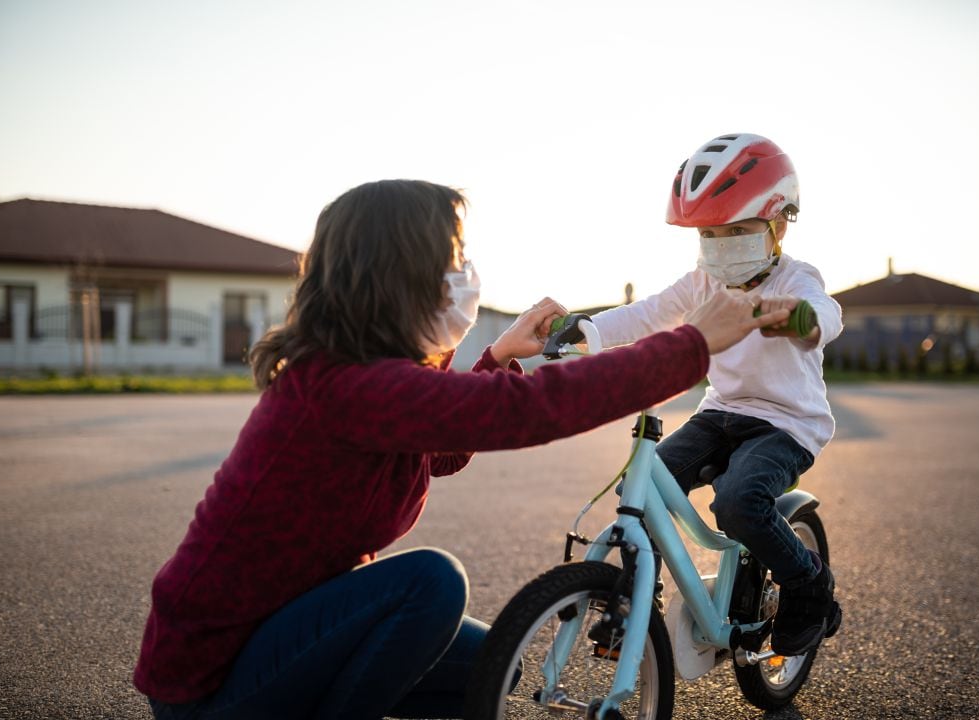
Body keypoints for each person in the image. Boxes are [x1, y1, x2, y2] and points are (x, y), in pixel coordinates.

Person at [132, 179, 790, 720]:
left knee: (485, 665)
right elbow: (525, 412)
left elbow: (440, 443)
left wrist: (499, 356)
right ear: (402, 274)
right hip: (213, 681)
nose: (463, 274)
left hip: (280, 631)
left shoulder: (363, 375)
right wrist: (691, 344)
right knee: (431, 583)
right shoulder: (345, 384)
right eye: (452, 258)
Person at [587, 133, 843, 656]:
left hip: (785, 424)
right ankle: (637, 602)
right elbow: (647, 314)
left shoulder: (795, 279)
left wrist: (800, 320)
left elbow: (826, 316)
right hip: (720, 414)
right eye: (710, 233)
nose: (722, 245)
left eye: (739, 230)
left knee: (739, 503)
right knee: (642, 488)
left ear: (778, 224)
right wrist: (583, 331)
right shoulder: (702, 281)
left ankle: (808, 583)